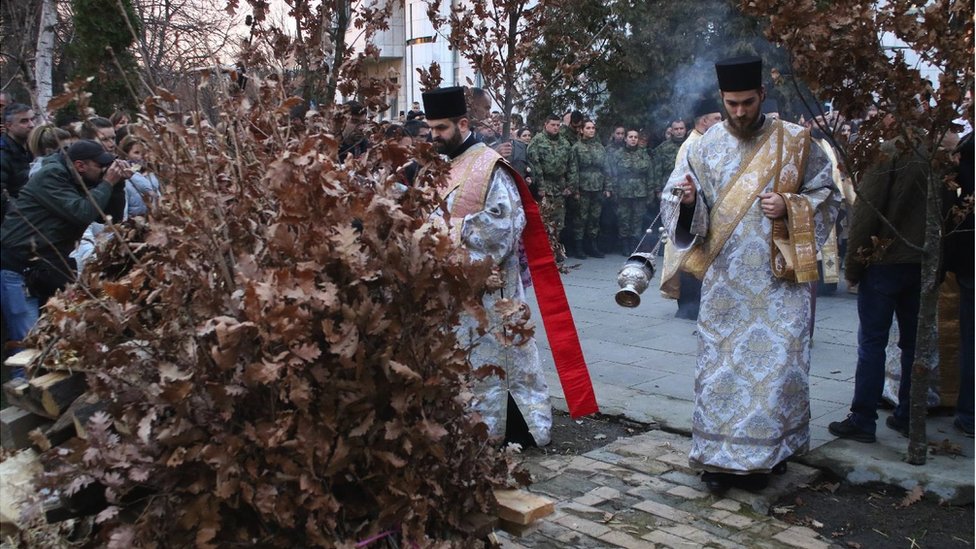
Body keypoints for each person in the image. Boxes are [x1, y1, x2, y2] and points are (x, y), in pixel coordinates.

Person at [662, 56, 838, 492]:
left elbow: (827, 193)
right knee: (720, 372)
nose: (739, 112)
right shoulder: (704, 146)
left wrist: (790, 207)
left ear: (761, 96)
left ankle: (766, 456)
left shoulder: (796, 142)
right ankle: (717, 461)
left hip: (778, 283)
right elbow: (683, 203)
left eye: (747, 102)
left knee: (774, 373)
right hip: (725, 285)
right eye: (731, 103)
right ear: (722, 100)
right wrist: (686, 203)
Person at [422, 87, 584, 447]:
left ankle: (511, 430)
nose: (434, 136)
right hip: (452, 288)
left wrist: (442, 231)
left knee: (499, 359)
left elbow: (505, 226)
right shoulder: (437, 167)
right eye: (431, 128)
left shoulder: (489, 167)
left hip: (492, 290)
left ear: (463, 124)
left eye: (441, 128)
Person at [827, 129, 929, 443]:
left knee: (872, 343)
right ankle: (909, 416)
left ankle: (863, 419)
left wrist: (854, 267)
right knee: (914, 344)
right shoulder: (935, 151)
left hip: (884, 262)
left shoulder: (887, 151)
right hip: (921, 260)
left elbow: (866, 212)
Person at [0, 140, 128, 375]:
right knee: (27, 342)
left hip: (50, 268)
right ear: (80, 165)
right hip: (18, 269)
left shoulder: (81, 178)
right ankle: (24, 394)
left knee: (58, 336)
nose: (104, 170)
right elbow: (82, 213)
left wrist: (117, 186)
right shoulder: (52, 177)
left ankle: (56, 391)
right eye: (99, 165)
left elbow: (108, 217)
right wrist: (108, 182)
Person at [660, 98, 723, 319]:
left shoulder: (705, 141)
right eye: (717, 118)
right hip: (690, 211)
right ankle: (688, 308)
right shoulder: (693, 145)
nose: (721, 122)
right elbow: (682, 183)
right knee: (689, 259)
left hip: (702, 211)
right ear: (704, 121)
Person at [527, 115, 572, 260]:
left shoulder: (565, 143)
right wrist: (540, 186)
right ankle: (543, 252)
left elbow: (571, 165)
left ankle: (556, 249)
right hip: (544, 183)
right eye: (553, 124)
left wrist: (570, 185)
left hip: (559, 185)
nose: (556, 127)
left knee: (559, 220)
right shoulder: (537, 142)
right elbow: (535, 166)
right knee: (544, 220)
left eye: (558, 125)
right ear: (545, 124)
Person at [567, 120, 610, 258]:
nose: (591, 130)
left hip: (597, 187)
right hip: (583, 187)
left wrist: (607, 187)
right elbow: (573, 170)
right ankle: (579, 247)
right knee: (581, 218)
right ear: (581, 130)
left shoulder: (600, 147)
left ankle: (592, 245)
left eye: (593, 128)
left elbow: (606, 168)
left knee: (595, 217)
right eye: (588, 128)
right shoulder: (576, 148)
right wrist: (575, 189)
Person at [615, 129, 651, 256]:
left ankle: (634, 245)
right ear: (626, 139)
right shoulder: (618, 154)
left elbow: (649, 174)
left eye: (635, 137)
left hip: (640, 192)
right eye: (630, 137)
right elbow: (612, 173)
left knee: (637, 219)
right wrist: (613, 190)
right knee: (624, 218)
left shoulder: (643, 154)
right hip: (623, 191)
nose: (633, 139)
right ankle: (624, 245)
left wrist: (650, 192)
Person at [1, 103, 37, 219]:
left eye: (32, 119)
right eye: (24, 121)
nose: (31, 125)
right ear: (9, 125)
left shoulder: (32, 148)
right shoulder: (3, 153)